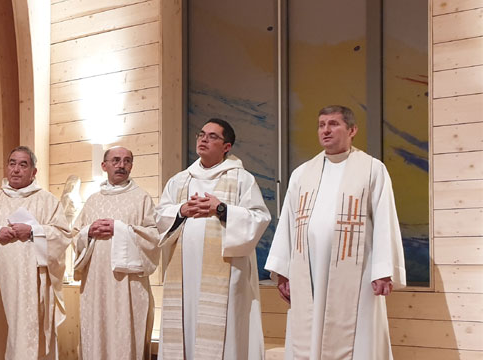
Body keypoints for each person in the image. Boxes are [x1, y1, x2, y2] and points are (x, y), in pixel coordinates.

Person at [266, 105, 405, 359]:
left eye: (333, 124)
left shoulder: (372, 169)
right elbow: (287, 221)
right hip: (308, 271)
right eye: (321, 125)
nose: (325, 130)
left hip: (358, 272)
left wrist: (383, 269)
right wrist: (283, 272)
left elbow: (385, 219)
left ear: (352, 130)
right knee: (309, 332)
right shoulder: (302, 173)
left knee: (358, 338)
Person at [155, 118, 270, 360]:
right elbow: (159, 216)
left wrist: (221, 210)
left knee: (224, 333)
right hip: (184, 274)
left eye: (212, 136)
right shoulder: (180, 179)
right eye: (201, 134)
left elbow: (259, 218)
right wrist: (181, 211)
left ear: (227, 146)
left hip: (226, 275)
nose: (203, 139)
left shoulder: (241, 178)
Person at [0, 146, 73, 360]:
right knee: (0, 333)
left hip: (32, 285)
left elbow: (63, 235)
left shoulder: (47, 201)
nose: (16, 169)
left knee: (28, 333)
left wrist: (33, 230)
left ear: (33, 172)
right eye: (12, 163)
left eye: (23, 165)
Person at [72, 146, 159, 360]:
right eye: (116, 160)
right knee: (97, 333)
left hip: (128, 286)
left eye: (127, 161)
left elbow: (154, 237)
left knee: (125, 335)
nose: (122, 165)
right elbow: (74, 235)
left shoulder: (142, 199)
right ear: (104, 166)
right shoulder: (93, 200)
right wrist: (88, 232)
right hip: (96, 283)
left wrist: (119, 229)